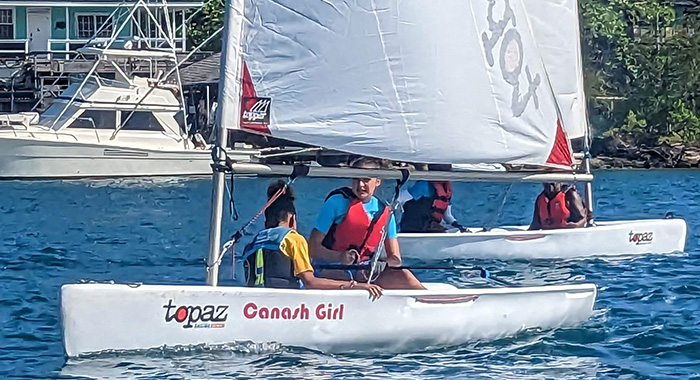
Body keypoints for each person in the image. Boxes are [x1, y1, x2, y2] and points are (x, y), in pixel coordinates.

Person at [241, 180, 383, 299]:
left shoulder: (252, 243)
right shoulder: (293, 240)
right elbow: (310, 282)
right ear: (292, 219)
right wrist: (355, 286)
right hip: (286, 304)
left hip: (257, 301)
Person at [308, 157, 425, 290]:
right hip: (330, 268)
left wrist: (382, 264)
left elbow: (395, 258)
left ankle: (432, 305)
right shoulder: (336, 203)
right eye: (357, 179)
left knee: (406, 276)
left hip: (364, 271)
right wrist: (340, 257)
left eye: (366, 180)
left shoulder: (385, 213)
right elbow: (312, 248)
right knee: (345, 278)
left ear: (377, 182)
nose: (361, 185)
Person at [398, 173, 467, 233]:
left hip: (430, 226)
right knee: (445, 232)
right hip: (412, 227)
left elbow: (447, 215)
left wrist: (457, 225)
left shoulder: (446, 190)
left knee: (448, 231)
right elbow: (400, 198)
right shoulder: (424, 185)